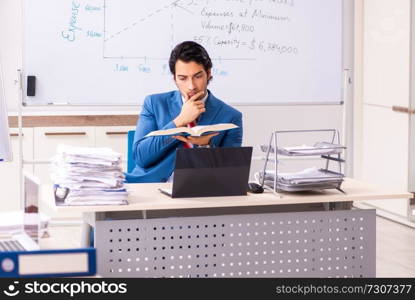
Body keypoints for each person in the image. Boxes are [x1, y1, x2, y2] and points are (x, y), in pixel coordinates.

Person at [126, 41, 243, 183]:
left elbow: (230, 174)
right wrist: (179, 121)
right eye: (183, 78)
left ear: (208, 73)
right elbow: (141, 157)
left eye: (198, 76)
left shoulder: (231, 116)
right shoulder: (154, 103)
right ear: (174, 78)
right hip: (153, 187)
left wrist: (206, 146)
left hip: (200, 191)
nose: (191, 86)